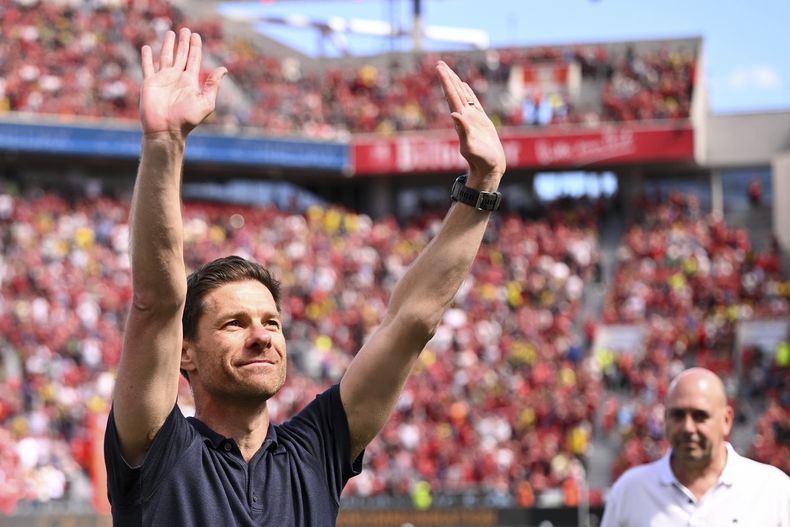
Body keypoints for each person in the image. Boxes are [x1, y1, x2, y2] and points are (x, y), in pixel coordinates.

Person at [103, 27, 506, 526]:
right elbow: (158, 300)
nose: (261, 337)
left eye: (271, 323)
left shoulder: (316, 450)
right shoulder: (157, 449)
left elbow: (412, 322)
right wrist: (164, 143)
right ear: (185, 352)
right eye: (234, 324)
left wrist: (482, 186)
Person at [600, 367, 790, 527]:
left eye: (700, 416)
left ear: (727, 420)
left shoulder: (773, 490)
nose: (688, 427)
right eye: (678, 415)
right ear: (665, 419)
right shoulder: (631, 490)